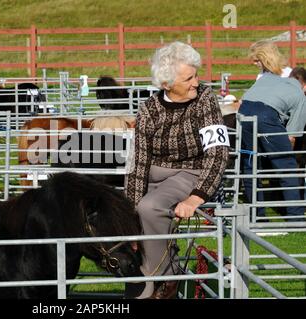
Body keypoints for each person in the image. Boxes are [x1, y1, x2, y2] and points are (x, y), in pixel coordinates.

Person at [124, 42, 230, 299]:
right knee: (129, 218)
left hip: (189, 173)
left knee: (150, 208)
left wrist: (195, 198)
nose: (196, 82)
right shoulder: (149, 108)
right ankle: (151, 280)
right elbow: (138, 163)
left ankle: (157, 283)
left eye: (196, 75)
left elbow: (218, 154)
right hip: (152, 174)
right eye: (188, 78)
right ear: (166, 85)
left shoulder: (206, 100)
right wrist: (127, 216)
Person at [239, 46, 306, 222]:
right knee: (287, 166)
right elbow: (293, 136)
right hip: (266, 115)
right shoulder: (300, 95)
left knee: (250, 164)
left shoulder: (267, 78)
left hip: (243, 111)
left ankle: (257, 217)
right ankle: (296, 218)